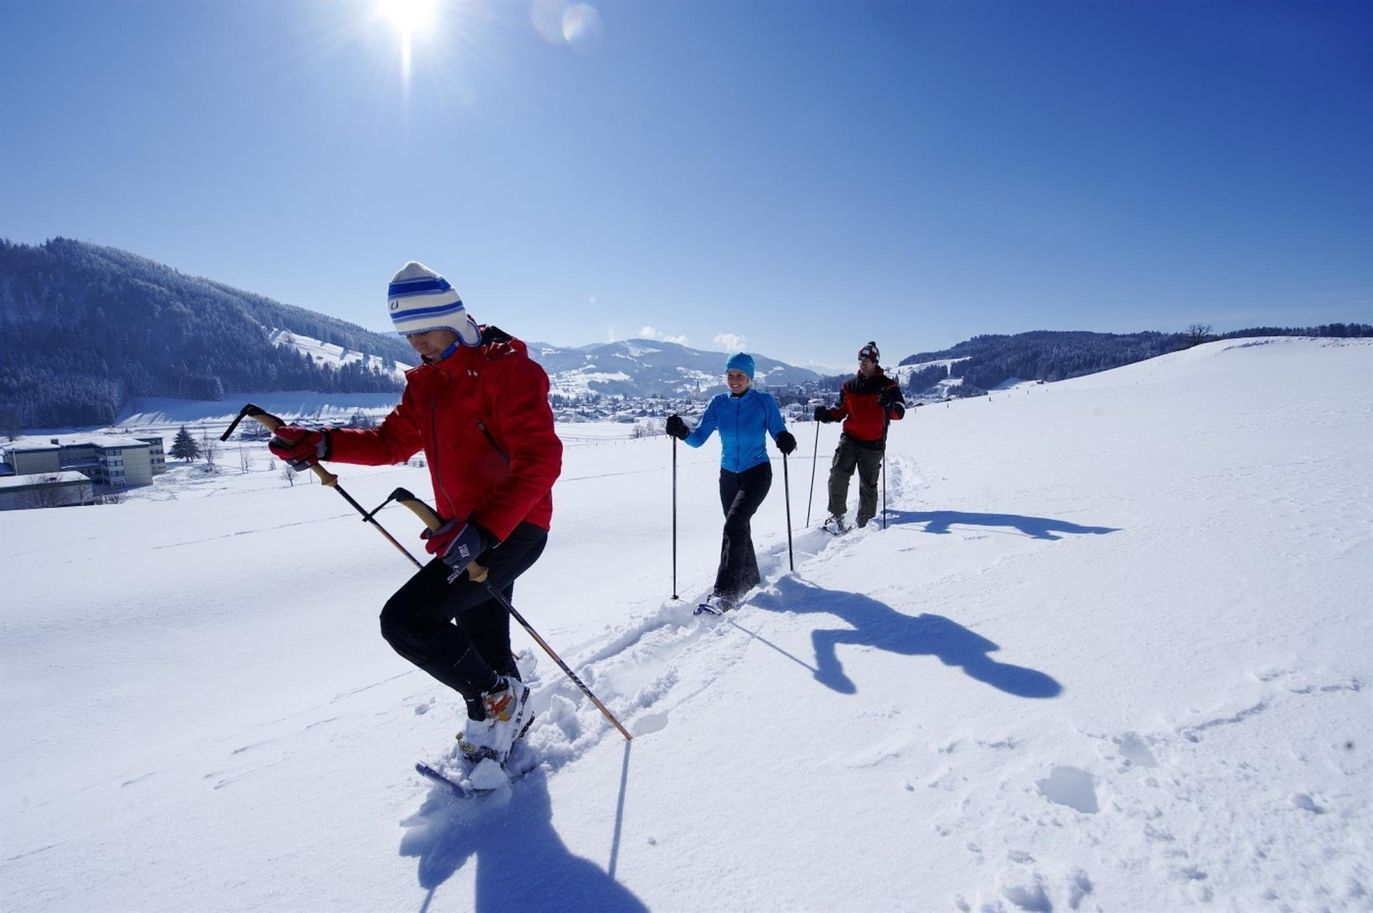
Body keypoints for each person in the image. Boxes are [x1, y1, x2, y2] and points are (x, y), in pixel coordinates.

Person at [267, 261, 562, 765]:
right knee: (480, 633)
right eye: (407, 335)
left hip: (512, 528)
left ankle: (495, 702)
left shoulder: (507, 371)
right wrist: (322, 442)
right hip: (460, 532)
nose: (417, 344)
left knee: (407, 622)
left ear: (454, 317)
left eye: (424, 331)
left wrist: (484, 529)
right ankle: (508, 708)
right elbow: (388, 442)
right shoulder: (426, 384)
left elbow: (541, 460)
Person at [665, 353, 797, 614]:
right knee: (739, 528)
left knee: (734, 523)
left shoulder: (763, 402)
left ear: (750, 378)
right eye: (730, 375)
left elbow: (778, 430)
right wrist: (681, 430)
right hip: (728, 476)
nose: (734, 380)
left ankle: (725, 594)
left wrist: (785, 439)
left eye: (740, 375)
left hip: (757, 472)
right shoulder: (718, 403)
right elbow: (698, 438)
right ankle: (748, 579)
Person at [813, 340, 905, 533]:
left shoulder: (888, 386)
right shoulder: (849, 386)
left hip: (873, 444)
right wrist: (826, 415)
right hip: (850, 439)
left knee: (868, 485)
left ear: (875, 362)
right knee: (838, 474)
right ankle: (836, 516)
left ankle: (865, 525)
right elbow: (839, 411)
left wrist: (889, 405)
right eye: (860, 360)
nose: (862, 363)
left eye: (867, 360)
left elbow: (900, 412)